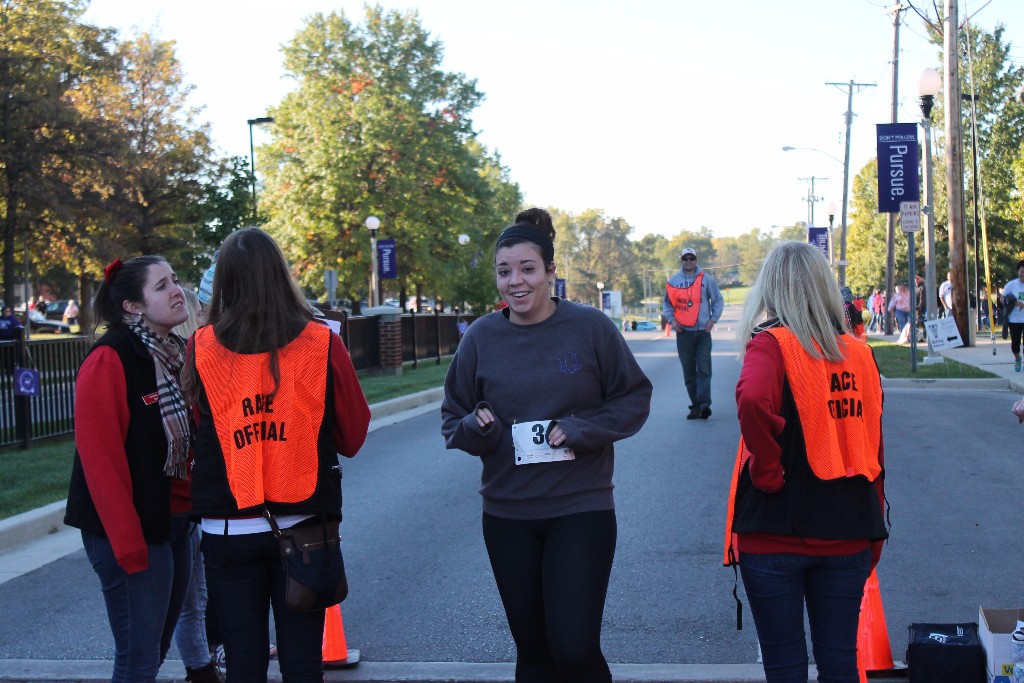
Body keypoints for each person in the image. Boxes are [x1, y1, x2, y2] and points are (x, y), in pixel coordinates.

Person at [441, 207, 652, 683]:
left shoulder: (590, 327)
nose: (515, 281)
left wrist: (581, 429)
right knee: (534, 652)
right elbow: (453, 420)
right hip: (507, 514)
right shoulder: (480, 338)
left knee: (574, 650)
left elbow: (633, 398)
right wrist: (477, 427)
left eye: (527, 269)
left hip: (580, 508)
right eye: (504, 271)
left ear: (550, 272)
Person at [182, 227, 370, 683]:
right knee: (303, 665)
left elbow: (199, 431)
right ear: (281, 275)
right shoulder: (322, 342)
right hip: (303, 526)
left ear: (223, 281)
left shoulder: (201, 345)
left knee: (243, 665)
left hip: (227, 525)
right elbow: (352, 435)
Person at [724, 241, 887, 683]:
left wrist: (766, 471)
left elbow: (752, 399)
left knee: (785, 665)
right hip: (848, 528)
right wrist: (875, 528)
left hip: (774, 531)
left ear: (770, 289)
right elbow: (873, 447)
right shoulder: (860, 353)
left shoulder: (771, 345)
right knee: (840, 661)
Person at [63, 255, 195, 683]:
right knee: (138, 659)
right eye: (162, 286)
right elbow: (100, 463)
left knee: (153, 652)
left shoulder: (177, 353)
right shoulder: (110, 359)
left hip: (176, 524)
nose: (177, 291)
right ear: (133, 306)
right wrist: (130, 547)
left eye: (174, 280)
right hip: (132, 533)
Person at [170, 288, 223, 683]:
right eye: (200, 310)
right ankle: (206, 661)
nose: (206, 315)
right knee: (182, 603)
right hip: (177, 506)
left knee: (196, 597)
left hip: (192, 502)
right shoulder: (188, 359)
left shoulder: (187, 357)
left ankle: (203, 664)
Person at [662, 247, 724, 419]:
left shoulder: (706, 279)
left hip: (703, 332)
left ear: (696, 260)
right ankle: (696, 406)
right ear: (681, 260)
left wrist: (713, 319)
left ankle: (704, 405)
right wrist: (672, 321)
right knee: (689, 373)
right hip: (684, 333)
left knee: (704, 370)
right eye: (686, 258)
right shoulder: (674, 281)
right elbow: (667, 304)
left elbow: (718, 300)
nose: (689, 261)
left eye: (692, 258)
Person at [1001, 260, 1024, 372]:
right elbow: (1002, 299)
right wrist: (1014, 303)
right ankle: (1017, 358)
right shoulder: (1011, 285)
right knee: (1015, 343)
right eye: (1022, 271)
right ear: (1018, 272)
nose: (1023, 274)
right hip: (1014, 319)